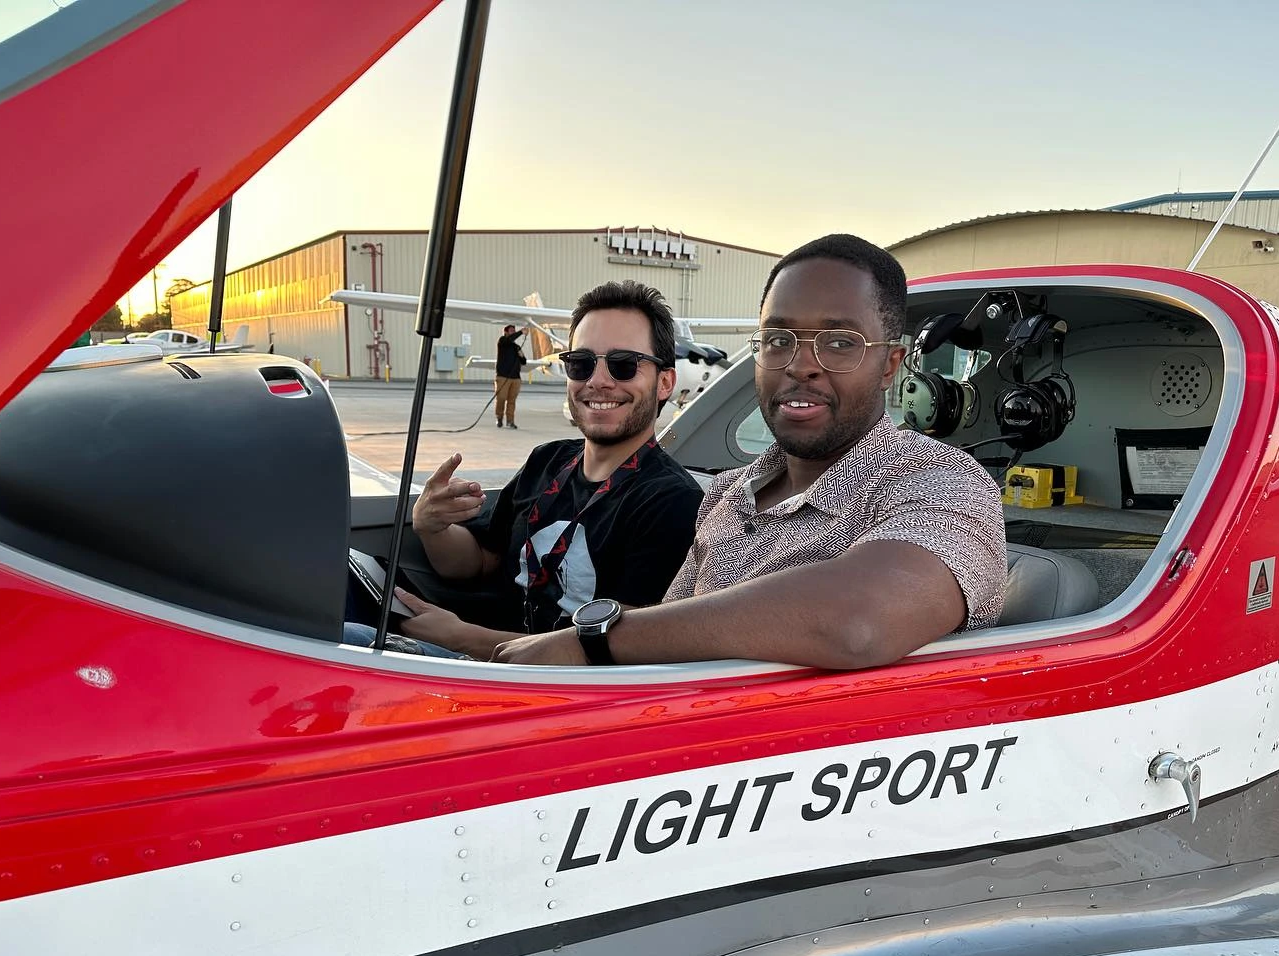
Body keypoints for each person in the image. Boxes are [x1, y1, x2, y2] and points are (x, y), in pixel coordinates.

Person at [492, 234, 1007, 669]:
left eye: (840, 342)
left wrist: (594, 639)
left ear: (890, 365)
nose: (801, 364)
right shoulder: (729, 496)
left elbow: (857, 622)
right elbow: (669, 648)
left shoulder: (944, 484)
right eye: (778, 339)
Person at [345, 280, 703, 659]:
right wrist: (432, 526)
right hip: (476, 646)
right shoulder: (546, 462)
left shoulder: (673, 502)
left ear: (665, 382)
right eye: (581, 363)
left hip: (530, 685)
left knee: (349, 638)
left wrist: (462, 638)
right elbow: (482, 562)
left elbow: (615, 651)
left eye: (623, 365)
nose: (598, 381)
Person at [494, 324, 526, 428]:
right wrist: (521, 332)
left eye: (514, 331)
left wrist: (521, 355)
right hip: (503, 377)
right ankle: (499, 417)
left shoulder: (516, 347)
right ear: (506, 332)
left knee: (512, 401)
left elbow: (523, 361)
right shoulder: (502, 341)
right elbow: (509, 339)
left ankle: (510, 421)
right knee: (501, 398)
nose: (513, 332)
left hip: (515, 377)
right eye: (511, 331)